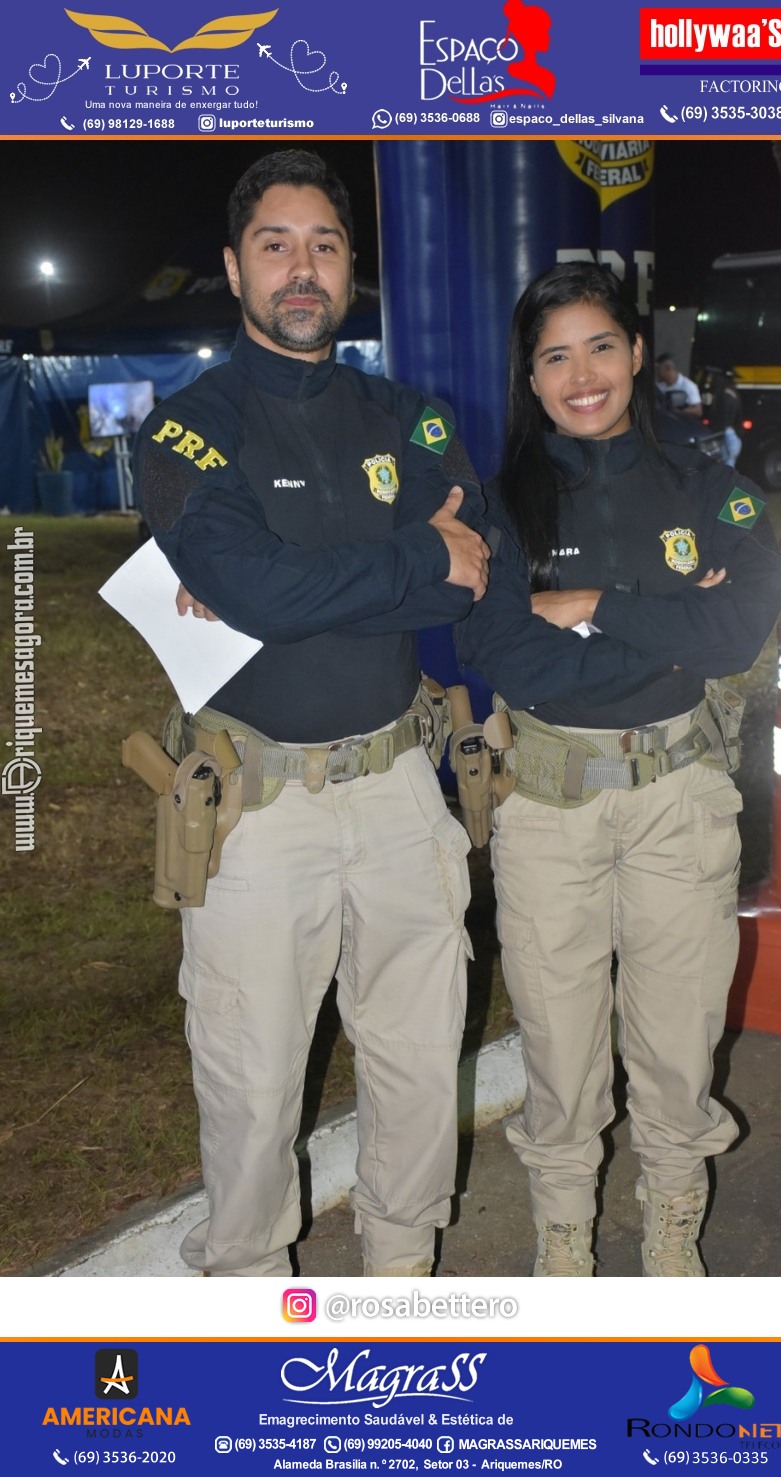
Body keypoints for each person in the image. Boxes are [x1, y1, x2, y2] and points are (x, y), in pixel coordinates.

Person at [133, 149, 490, 1278]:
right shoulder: (184, 428)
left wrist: (289, 578)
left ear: (349, 270)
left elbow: (466, 572)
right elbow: (261, 593)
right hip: (256, 809)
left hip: (397, 791)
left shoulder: (410, 418)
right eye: (276, 244)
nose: (302, 267)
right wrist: (401, 560)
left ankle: (398, 1283)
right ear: (236, 268)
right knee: (248, 1080)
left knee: (419, 1062)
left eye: (325, 244)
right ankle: (248, 1295)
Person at [457, 262, 781, 1277]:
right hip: (549, 806)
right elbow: (498, 651)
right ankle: (563, 1233)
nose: (581, 372)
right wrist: (670, 629)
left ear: (637, 353)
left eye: (599, 344)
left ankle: (671, 1218)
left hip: (679, 799)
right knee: (557, 1043)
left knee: (677, 1039)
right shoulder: (500, 501)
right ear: (530, 375)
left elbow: (739, 631)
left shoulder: (707, 489)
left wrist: (596, 602)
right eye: (553, 355)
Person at [700, 367, 744, 468]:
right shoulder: (733, 392)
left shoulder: (722, 394)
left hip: (725, 435)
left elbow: (720, 418)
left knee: (724, 468)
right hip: (733, 435)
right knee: (730, 466)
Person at [655, 353, 703, 417]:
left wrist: (676, 412)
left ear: (668, 368)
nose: (657, 372)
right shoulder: (659, 386)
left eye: (659, 369)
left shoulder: (688, 386)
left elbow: (698, 410)